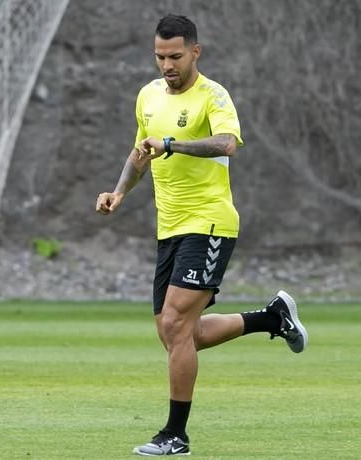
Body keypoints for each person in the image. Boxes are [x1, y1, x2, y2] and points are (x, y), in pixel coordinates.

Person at [95, 14, 309, 457]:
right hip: (169, 227)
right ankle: (271, 317)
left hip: (209, 222)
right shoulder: (148, 95)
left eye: (175, 56)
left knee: (175, 326)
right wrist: (118, 192)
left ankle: (175, 435)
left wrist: (172, 143)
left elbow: (226, 143)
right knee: (180, 336)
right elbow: (141, 153)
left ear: (195, 52)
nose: (166, 65)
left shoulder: (213, 95)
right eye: (159, 56)